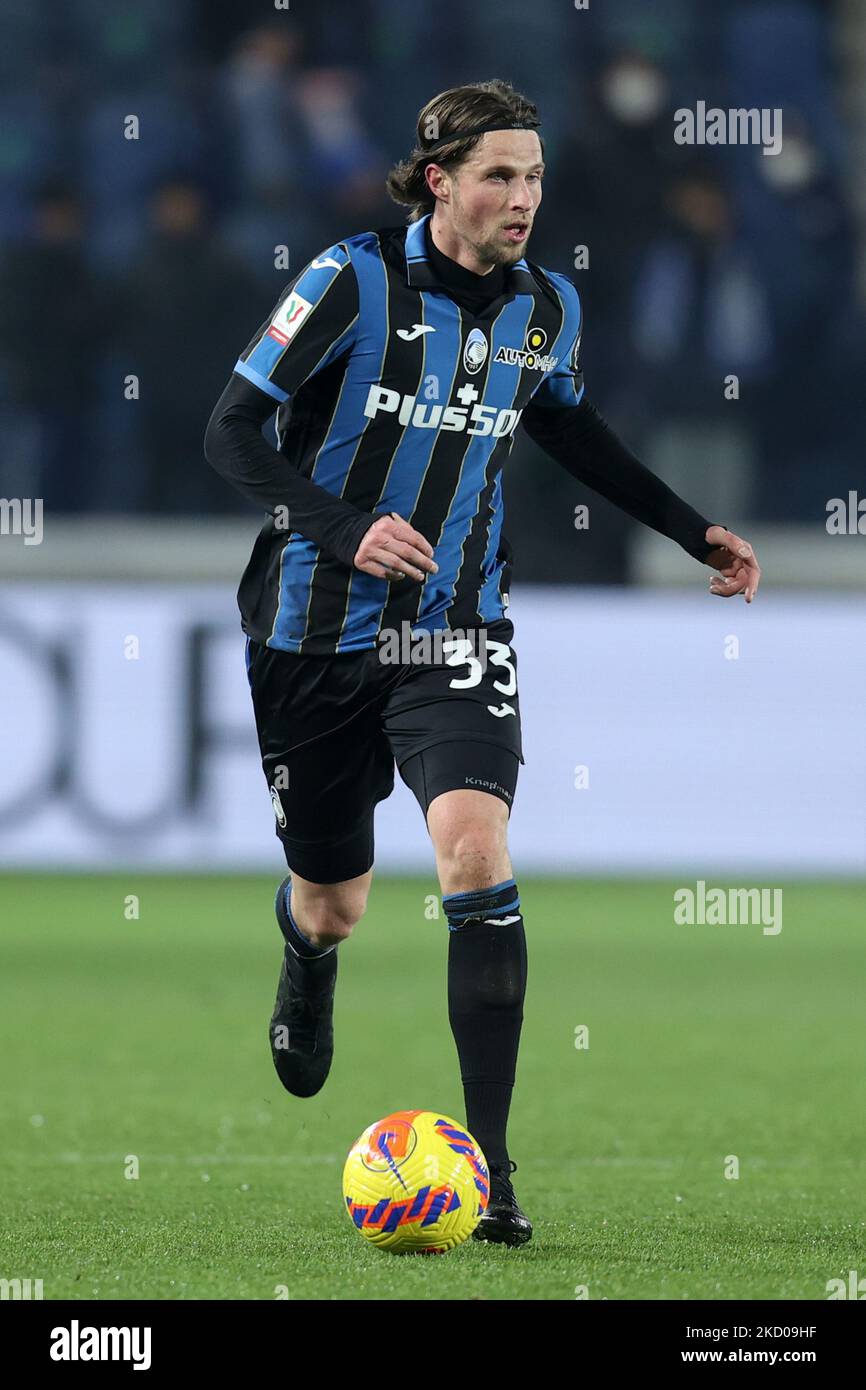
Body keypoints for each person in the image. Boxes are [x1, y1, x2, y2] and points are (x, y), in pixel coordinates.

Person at [204, 78, 761, 1247]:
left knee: (473, 853)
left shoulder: (546, 305)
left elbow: (562, 422)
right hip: (309, 633)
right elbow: (230, 428)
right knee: (337, 898)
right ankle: (306, 957)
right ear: (439, 179)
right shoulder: (349, 278)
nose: (524, 197)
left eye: (536, 175)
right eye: (501, 174)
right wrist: (343, 525)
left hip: (452, 627)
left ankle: (491, 1170)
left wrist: (686, 527)